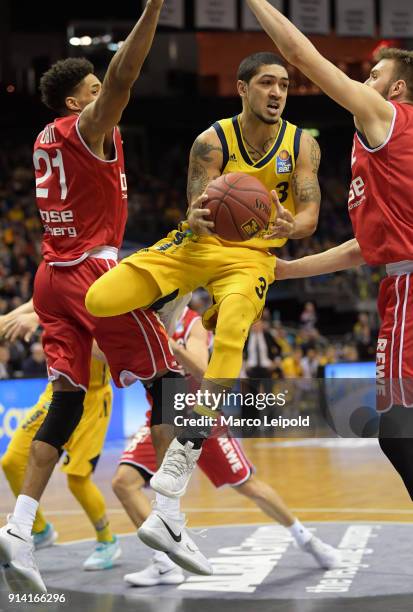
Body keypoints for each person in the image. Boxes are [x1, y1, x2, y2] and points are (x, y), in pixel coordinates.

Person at [0, 1, 212, 595]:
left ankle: (17, 527)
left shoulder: (46, 136)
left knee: (65, 403)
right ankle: (167, 518)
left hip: (52, 275)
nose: (106, 96)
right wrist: (152, 9)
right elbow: (125, 73)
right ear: (76, 102)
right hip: (94, 276)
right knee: (170, 381)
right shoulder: (87, 127)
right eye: (92, 90)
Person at [85, 51, 321, 503]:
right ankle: (170, 308)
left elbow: (310, 211)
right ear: (242, 88)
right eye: (267, 83)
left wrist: (296, 224)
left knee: (233, 328)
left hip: (252, 256)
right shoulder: (210, 141)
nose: (277, 93)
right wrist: (194, 213)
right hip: (199, 244)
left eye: (284, 86)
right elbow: (197, 200)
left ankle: (186, 447)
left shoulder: (302, 144)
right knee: (100, 298)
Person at [246, 0, 413, 501]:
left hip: (409, 288)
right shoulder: (377, 143)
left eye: (374, 73)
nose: (366, 79)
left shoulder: (387, 117)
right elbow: (363, 248)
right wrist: (283, 270)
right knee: (398, 433)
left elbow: (300, 53)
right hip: (396, 283)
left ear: (396, 88)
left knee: (397, 432)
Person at [112, 305, 340, 587]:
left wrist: (166, 342)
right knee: (124, 483)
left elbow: (203, 369)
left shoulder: (192, 322)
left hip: (200, 417)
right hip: (161, 419)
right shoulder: (139, 321)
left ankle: (305, 538)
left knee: (248, 484)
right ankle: (164, 563)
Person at [0, 302, 120, 571]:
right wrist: (9, 318)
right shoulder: (58, 277)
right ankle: (40, 530)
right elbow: (38, 303)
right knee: (12, 461)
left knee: (77, 479)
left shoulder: (106, 294)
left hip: (92, 400)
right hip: (55, 392)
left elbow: (105, 352)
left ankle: (107, 540)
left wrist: (45, 321)